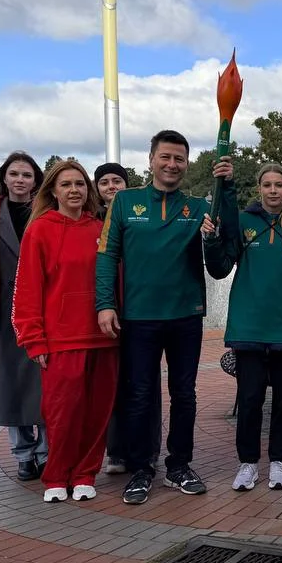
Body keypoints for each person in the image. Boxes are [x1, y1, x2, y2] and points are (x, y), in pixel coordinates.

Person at [97, 130, 210, 505]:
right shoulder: (125, 201)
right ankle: (140, 468)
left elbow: (219, 260)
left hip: (186, 316)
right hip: (139, 317)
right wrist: (105, 304)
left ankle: (179, 465)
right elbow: (107, 256)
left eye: (179, 158)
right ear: (150, 160)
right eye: (165, 157)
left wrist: (214, 235)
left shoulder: (197, 207)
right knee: (140, 394)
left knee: (184, 394)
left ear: (187, 163)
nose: (172, 164)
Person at [206, 159, 282, 491]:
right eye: (268, 185)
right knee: (250, 399)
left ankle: (278, 462)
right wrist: (210, 241)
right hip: (249, 329)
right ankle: (247, 464)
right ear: (259, 189)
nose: (273, 190)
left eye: (279, 185)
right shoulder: (243, 222)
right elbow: (220, 266)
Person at [13, 160, 118, 502]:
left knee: (97, 412)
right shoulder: (39, 230)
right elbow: (28, 289)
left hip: (103, 337)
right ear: (53, 191)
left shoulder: (101, 229)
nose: (74, 190)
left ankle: (86, 474)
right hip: (61, 339)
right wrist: (33, 339)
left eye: (80, 184)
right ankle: (56, 476)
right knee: (61, 413)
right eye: (66, 184)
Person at [0, 151, 46, 482]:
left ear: (36, 181)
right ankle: (23, 454)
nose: (20, 180)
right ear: (4, 177)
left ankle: (46, 452)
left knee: (44, 383)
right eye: (14, 174)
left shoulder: (47, 213)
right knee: (12, 385)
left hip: (43, 311)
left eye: (27, 175)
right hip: (5, 311)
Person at [92, 162, 162, 476]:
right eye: (104, 182)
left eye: (117, 181)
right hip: (108, 312)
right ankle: (117, 450)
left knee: (145, 383)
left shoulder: (141, 215)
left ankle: (148, 449)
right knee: (112, 383)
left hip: (141, 310)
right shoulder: (91, 222)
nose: (111, 187)